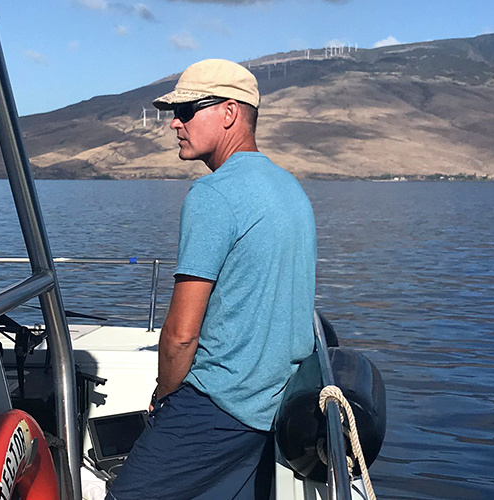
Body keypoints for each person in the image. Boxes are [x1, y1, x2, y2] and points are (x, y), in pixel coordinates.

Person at [106, 59, 317, 499]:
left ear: (228, 113)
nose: (174, 125)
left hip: (217, 404)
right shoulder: (289, 187)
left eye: (186, 111)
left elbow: (181, 336)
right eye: (172, 114)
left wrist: (163, 399)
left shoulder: (213, 195)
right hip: (269, 404)